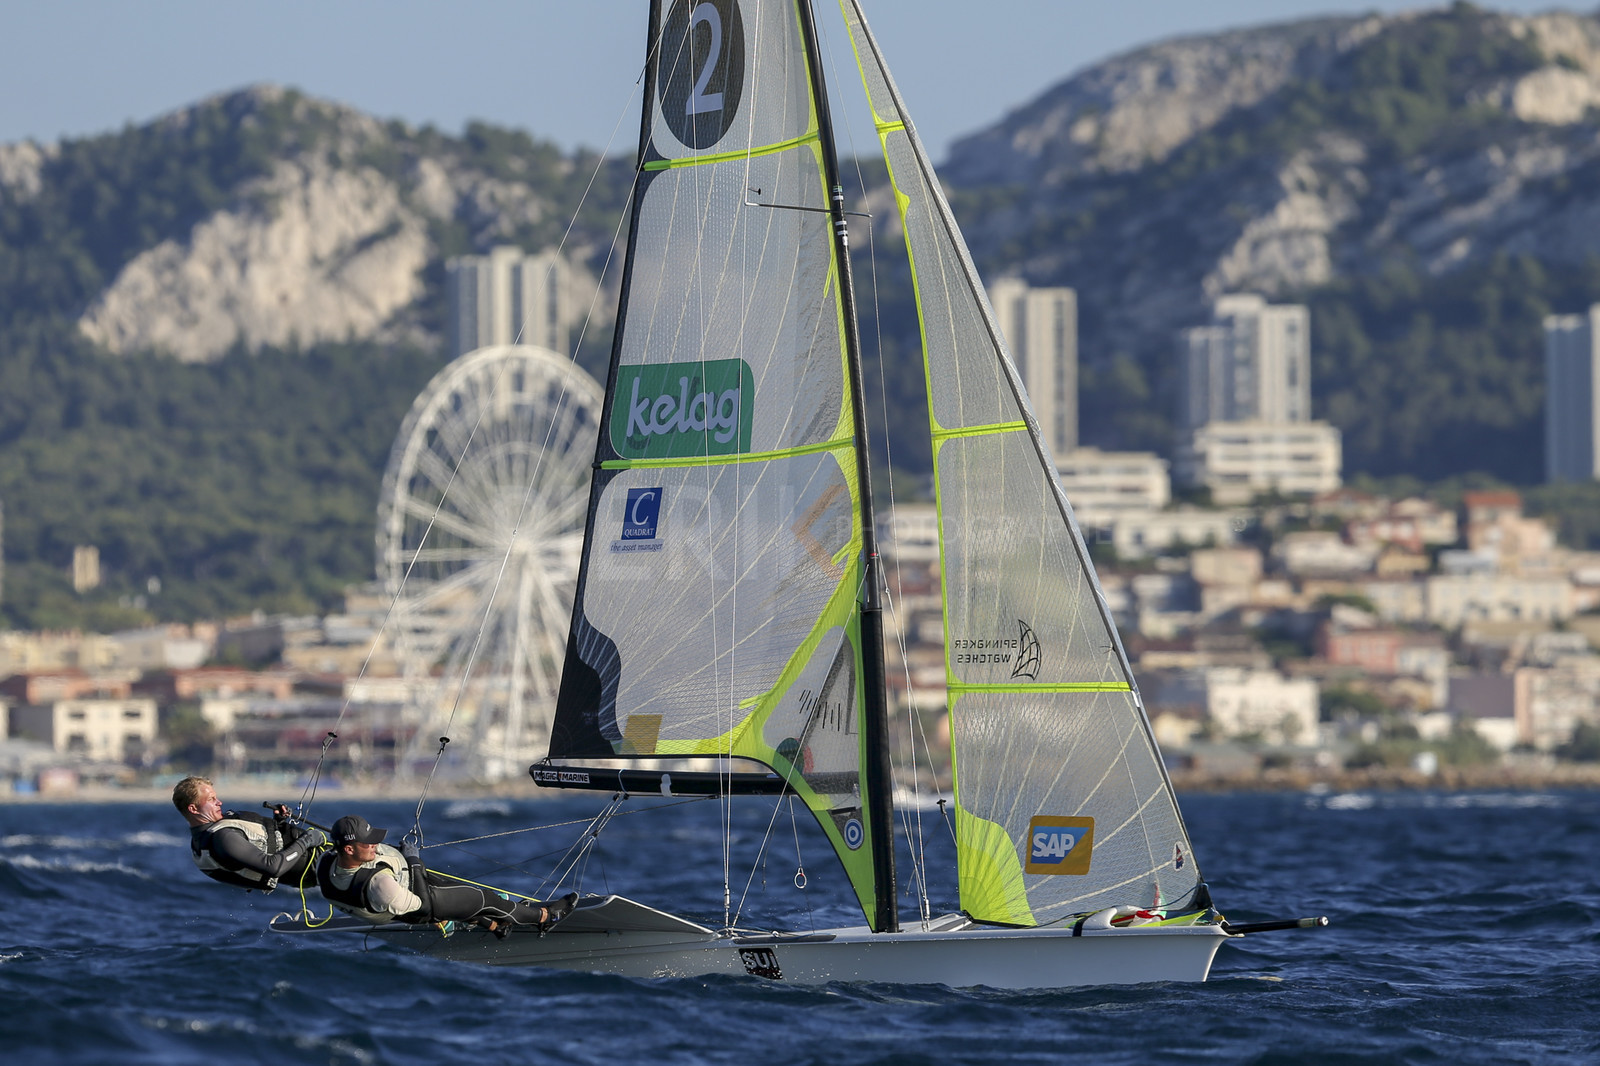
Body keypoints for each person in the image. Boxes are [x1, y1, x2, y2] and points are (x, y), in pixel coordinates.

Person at [316, 814, 577, 938]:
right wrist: (414, 860)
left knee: (462, 896)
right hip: (419, 905)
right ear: (349, 849)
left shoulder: (327, 861)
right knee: (485, 899)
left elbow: (331, 852)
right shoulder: (379, 884)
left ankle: (498, 926)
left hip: (401, 893)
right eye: (368, 844)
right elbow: (424, 906)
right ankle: (544, 917)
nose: (374, 846)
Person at [172, 775, 326, 894]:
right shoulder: (222, 838)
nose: (219, 802)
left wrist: (279, 823)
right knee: (349, 826)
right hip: (318, 864)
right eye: (211, 799)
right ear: (193, 809)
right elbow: (273, 867)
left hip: (314, 867)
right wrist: (307, 841)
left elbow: (267, 847)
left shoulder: (201, 843)